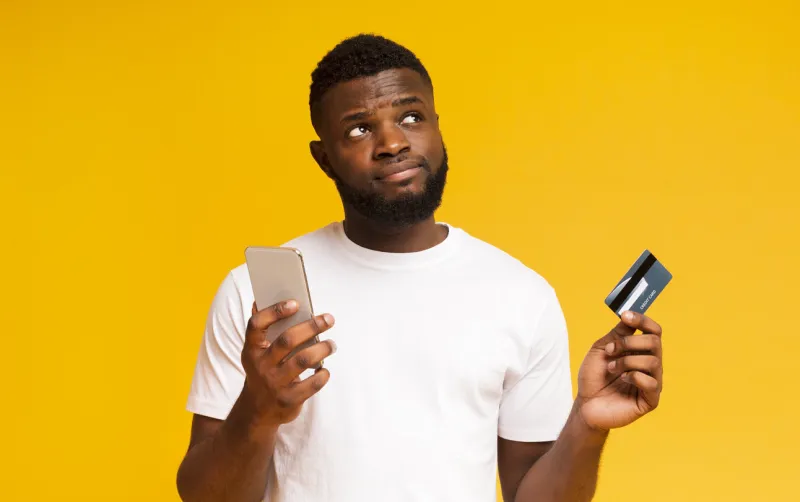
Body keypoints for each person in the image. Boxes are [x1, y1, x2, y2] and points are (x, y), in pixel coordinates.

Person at [176, 34, 665, 502]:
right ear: (324, 158)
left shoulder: (521, 296)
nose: (392, 143)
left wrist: (587, 425)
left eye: (411, 117)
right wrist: (258, 412)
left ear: (437, 126)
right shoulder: (254, 297)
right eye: (359, 129)